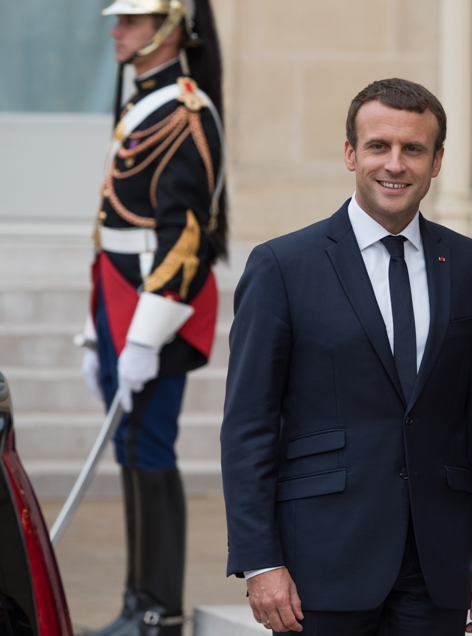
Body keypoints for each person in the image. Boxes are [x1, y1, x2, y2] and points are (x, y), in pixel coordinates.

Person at [220, 78, 472, 635]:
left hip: (438, 564)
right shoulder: (283, 266)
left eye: (413, 149)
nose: (395, 165)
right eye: (379, 146)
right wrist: (260, 560)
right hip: (320, 563)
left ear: (438, 160)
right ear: (351, 153)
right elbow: (249, 425)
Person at [78, 0, 226, 633]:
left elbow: (185, 233)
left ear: (170, 28)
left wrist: (143, 335)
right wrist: (96, 331)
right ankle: (138, 602)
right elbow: (113, 220)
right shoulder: (145, 102)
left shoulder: (185, 110)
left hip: (154, 303)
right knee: (130, 445)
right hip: (118, 295)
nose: (118, 31)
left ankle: (157, 610)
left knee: (149, 445)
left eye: (132, 21)